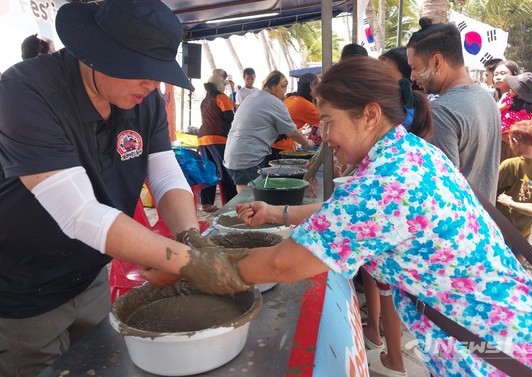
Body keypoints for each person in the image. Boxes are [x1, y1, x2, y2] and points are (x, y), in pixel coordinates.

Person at [174, 56, 532, 376]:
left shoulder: (386, 182)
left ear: (369, 115)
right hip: (509, 330)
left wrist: (184, 267)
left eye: (329, 121)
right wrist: (278, 212)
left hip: (492, 355)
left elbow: (280, 266)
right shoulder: (409, 152)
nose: (323, 134)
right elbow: (352, 215)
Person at [0, 1, 210, 375]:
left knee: (99, 365)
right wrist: (188, 262)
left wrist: (190, 238)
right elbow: (78, 212)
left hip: (91, 274)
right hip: (22, 288)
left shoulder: (145, 102)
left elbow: (164, 176)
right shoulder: (24, 91)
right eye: (143, 71)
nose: (152, 84)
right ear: (97, 53)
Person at [354, 47, 433, 377]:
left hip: (410, 259)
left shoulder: (397, 159)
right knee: (390, 295)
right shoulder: (405, 148)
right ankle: (389, 350)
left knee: (392, 296)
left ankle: (393, 356)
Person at [406, 17, 501, 203]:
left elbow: (442, 190)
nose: (412, 76)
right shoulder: (486, 97)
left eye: (414, 68)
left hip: (460, 225)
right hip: (484, 220)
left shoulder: (441, 112)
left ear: (436, 62)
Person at [223, 70, 315, 193]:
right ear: (278, 86)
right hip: (248, 157)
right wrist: (308, 143)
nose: (284, 93)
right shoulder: (274, 102)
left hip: (233, 154)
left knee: (245, 195)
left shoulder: (252, 97)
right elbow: (292, 132)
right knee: (251, 198)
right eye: (284, 88)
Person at [496, 120, 532, 244]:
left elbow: (495, 188)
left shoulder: (510, 165)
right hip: (526, 224)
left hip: (504, 225)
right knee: (520, 254)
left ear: (515, 142)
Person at [197, 73, 237, 212]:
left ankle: (206, 203)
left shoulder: (205, 100)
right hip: (218, 138)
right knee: (226, 171)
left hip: (202, 138)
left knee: (208, 170)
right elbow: (228, 116)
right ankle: (230, 202)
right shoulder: (221, 97)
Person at [271, 73, 321, 159]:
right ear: (312, 85)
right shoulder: (305, 105)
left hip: (273, 142)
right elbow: (326, 121)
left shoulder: (292, 98)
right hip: (279, 145)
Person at [499, 72, 532, 160]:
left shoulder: (509, 101)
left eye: (512, 89)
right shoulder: (531, 105)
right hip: (512, 136)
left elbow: (496, 110)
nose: (510, 90)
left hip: (515, 134)